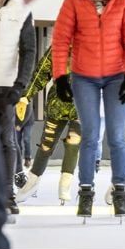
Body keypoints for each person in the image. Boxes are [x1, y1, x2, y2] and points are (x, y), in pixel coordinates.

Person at [52, 0, 125, 220]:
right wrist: (60, 76)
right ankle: (86, 191)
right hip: (84, 77)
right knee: (90, 135)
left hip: (117, 76)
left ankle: (119, 191)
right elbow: (61, 38)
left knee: (117, 136)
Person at [0, 0, 36, 219]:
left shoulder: (22, 9)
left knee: (7, 141)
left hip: (6, 87)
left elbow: (28, 50)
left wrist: (20, 85)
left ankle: (7, 196)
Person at [15, 45, 81, 205]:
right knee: (46, 145)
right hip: (57, 105)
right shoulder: (59, 47)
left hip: (81, 106)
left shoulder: (93, 45)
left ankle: (65, 184)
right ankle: (32, 182)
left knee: (73, 145)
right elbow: (41, 73)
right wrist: (26, 96)